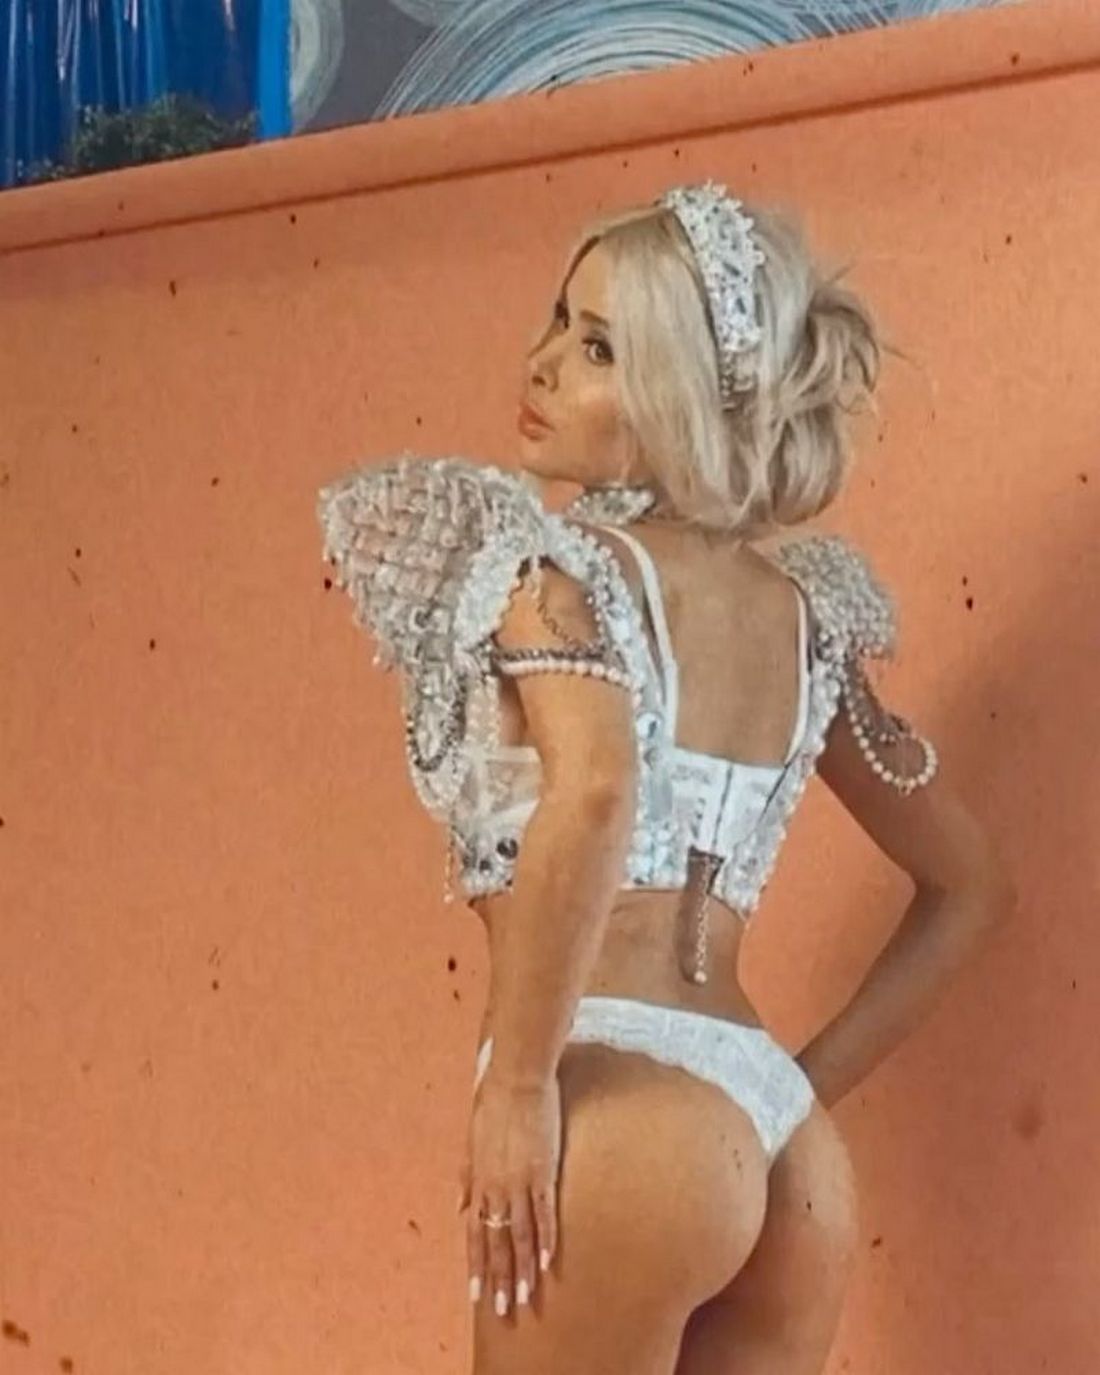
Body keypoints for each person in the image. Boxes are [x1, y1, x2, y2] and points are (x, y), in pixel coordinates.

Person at [316, 181, 1016, 1375]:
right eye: (558, 320)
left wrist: (519, 1086)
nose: (541, 362)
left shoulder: (551, 573)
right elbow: (970, 886)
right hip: (782, 1145)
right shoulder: (804, 622)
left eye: (599, 348)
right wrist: (780, 1098)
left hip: (611, 1105)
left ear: (680, 395)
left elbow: (594, 790)